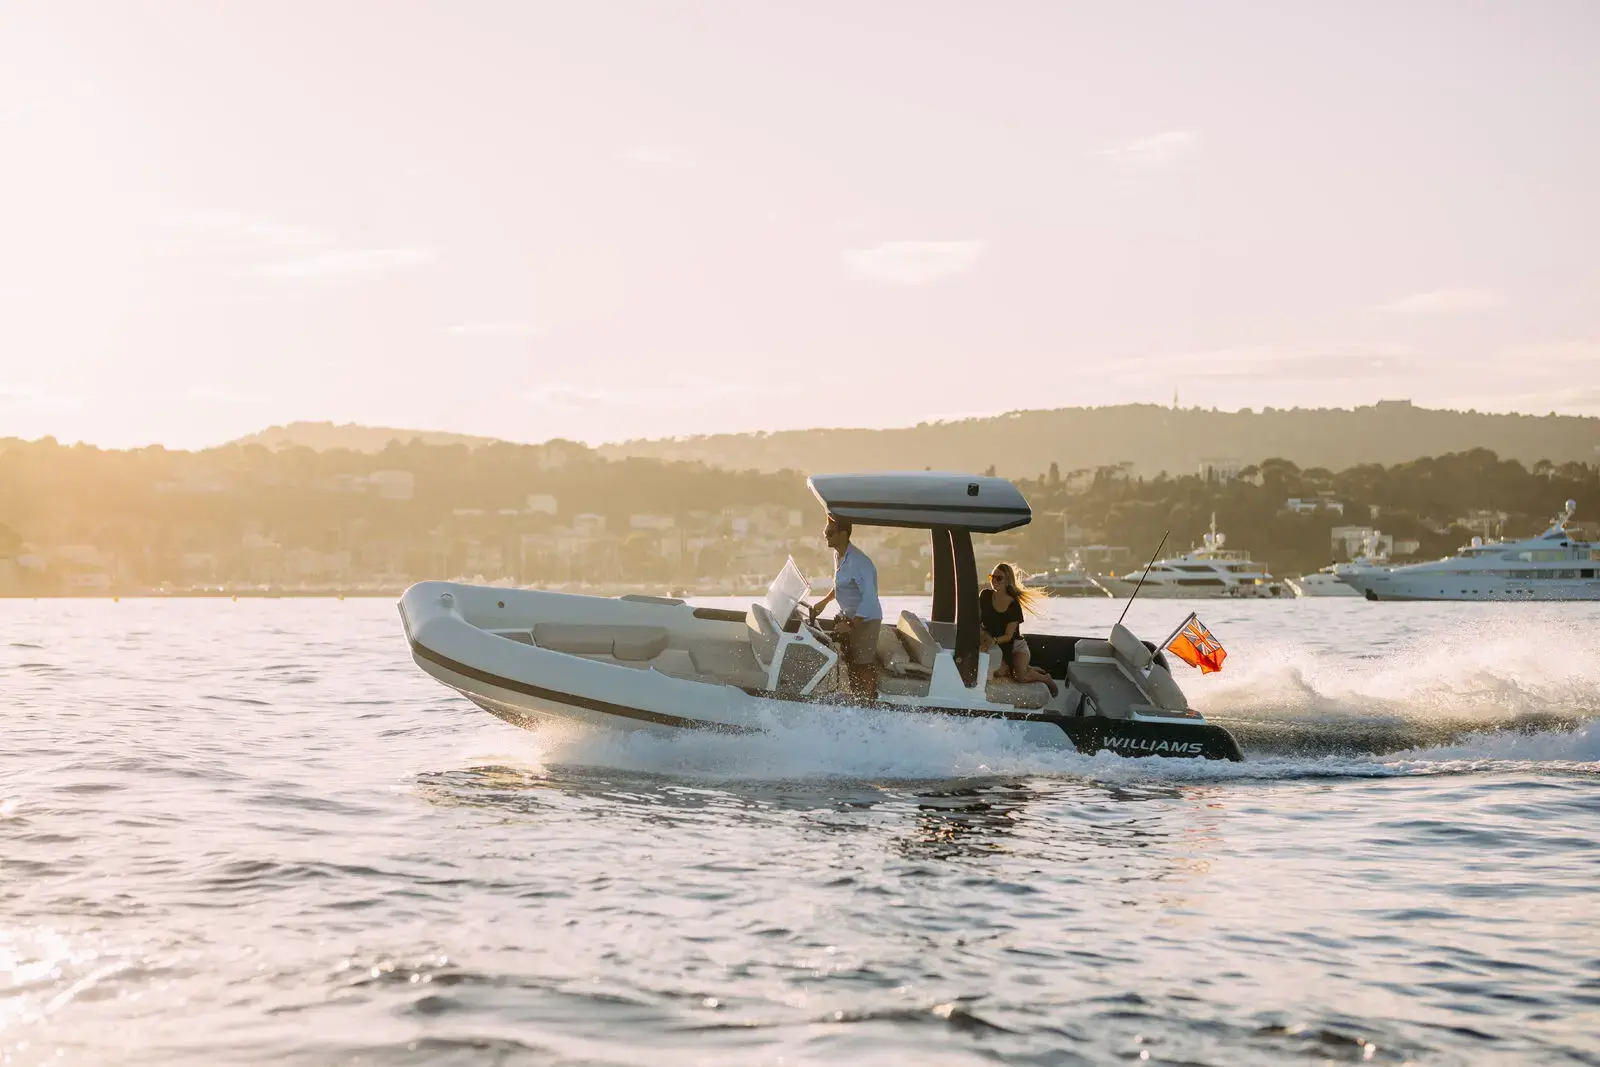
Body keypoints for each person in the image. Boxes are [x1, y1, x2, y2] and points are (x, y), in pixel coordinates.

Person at [807, 515, 881, 701]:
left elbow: (870, 598)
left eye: (830, 532)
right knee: (850, 662)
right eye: (825, 532)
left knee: (863, 665)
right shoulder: (838, 555)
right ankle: (856, 700)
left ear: (844, 534)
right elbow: (842, 586)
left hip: (866, 620)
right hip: (849, 616)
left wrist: (852, 625)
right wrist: (824, 602)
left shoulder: (860, 562)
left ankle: (870, 703)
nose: (826, 535)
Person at [979, 563, 1059, 697]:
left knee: (1019, 676)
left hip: (1015, 646)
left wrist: (992, 641)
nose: (994, 580)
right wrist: (983, 636)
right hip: (995, 644)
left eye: (999, 578)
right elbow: (977, 620)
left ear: (1008, 581)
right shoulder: (985, 595)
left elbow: (1008, 636)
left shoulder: (1013, 605)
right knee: (998, 672)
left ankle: (1046, 679)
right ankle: (1027, 668)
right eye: (992, 577)